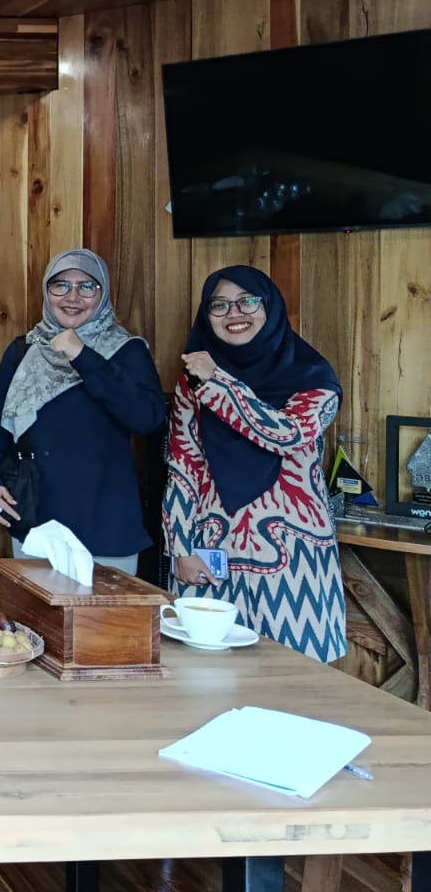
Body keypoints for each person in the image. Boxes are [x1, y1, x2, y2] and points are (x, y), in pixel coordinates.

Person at [164, 265, 347, 663]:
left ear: (270, 308)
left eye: (247, 301)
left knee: (295, 676)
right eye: (219, 305)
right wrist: (180, 549)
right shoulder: (192, 381)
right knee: (205, 673)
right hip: (212, 550)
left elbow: (286, 434)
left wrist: (218, 382)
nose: (234, 313)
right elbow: (183, 466)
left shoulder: (313, 376)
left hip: (294, 556)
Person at [0, 249, 164, 573]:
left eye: (87, 287)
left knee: (107, 609)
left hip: (105, 523)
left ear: (103, 294)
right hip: (37, 523)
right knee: (35, 607)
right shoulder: (24, 350)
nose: (72, 297)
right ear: (47, 292)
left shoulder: (126, 350)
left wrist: (83, 355)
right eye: (60, 285)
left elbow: (146, 418)